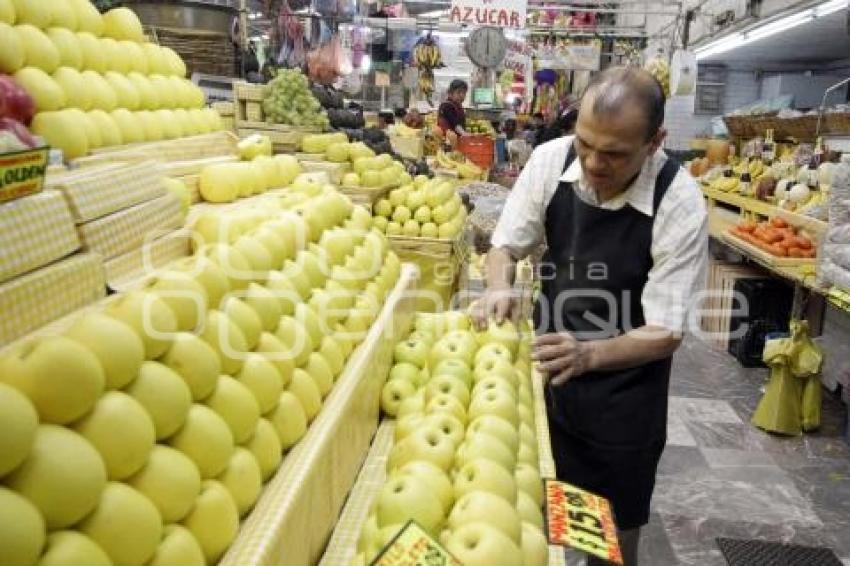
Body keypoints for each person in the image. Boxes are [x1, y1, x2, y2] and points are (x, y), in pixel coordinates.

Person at [474, 67, 708, 565]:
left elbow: (666, 329)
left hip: (622, 400)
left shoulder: (678, 201)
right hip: (550, 375)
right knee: (542, 515)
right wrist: (499, 286)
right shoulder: (550, 161)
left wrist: (590, 354)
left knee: (609, 538)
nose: (594, 163)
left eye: (615, 154)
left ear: (655, 142)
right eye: (585, 144)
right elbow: (504, 247)